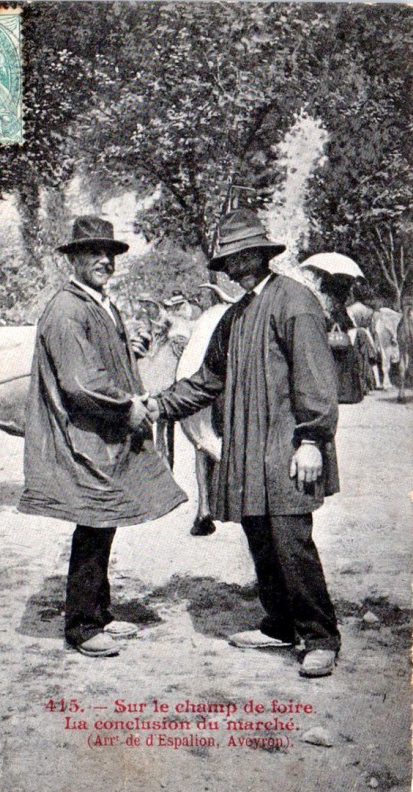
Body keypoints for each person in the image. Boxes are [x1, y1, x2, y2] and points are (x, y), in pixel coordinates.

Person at [148, 209, 363, 678]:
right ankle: (279, 624)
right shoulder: (236, 315)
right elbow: (207, 379)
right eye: (229, 259)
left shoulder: (295, 302)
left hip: (288, 446)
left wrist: (312, 440)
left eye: (244, 255)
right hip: (247, 448)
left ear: (262, 255)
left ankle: (320, 636)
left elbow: (316, 378)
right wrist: (158, 405)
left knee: (291, 542)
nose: (236, 265)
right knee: (260, 538)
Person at [18, 215, 187, 657]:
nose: (103, 260)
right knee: (93, 523)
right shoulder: (66, 310)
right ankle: (82, 626)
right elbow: (81, 382)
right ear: (72, 260)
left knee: (103, 522)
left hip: (103, 432)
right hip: (84, 435)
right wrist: (129, 407)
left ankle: (100, 612)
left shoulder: (100, 304)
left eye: (109, 253)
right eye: (92, 252)